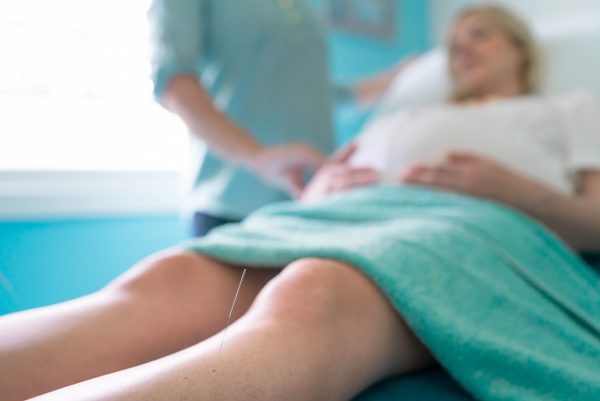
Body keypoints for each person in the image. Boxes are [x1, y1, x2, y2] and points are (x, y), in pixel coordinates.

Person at [2, 5, 600, 401]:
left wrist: (515, 191)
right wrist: (319, 191)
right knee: (167, 278)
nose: (459, 49)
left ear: (521, 49)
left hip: (469, 226)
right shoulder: (407, 116)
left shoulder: (567, 109)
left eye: (479, 34)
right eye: (453, 40)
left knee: (315, 290)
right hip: (335, 217)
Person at [147, 0, 402, 236]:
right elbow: (174, 82)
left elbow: (323, 93)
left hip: (312, 207)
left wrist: (402, 76)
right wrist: (258, 157)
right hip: (234, 207)